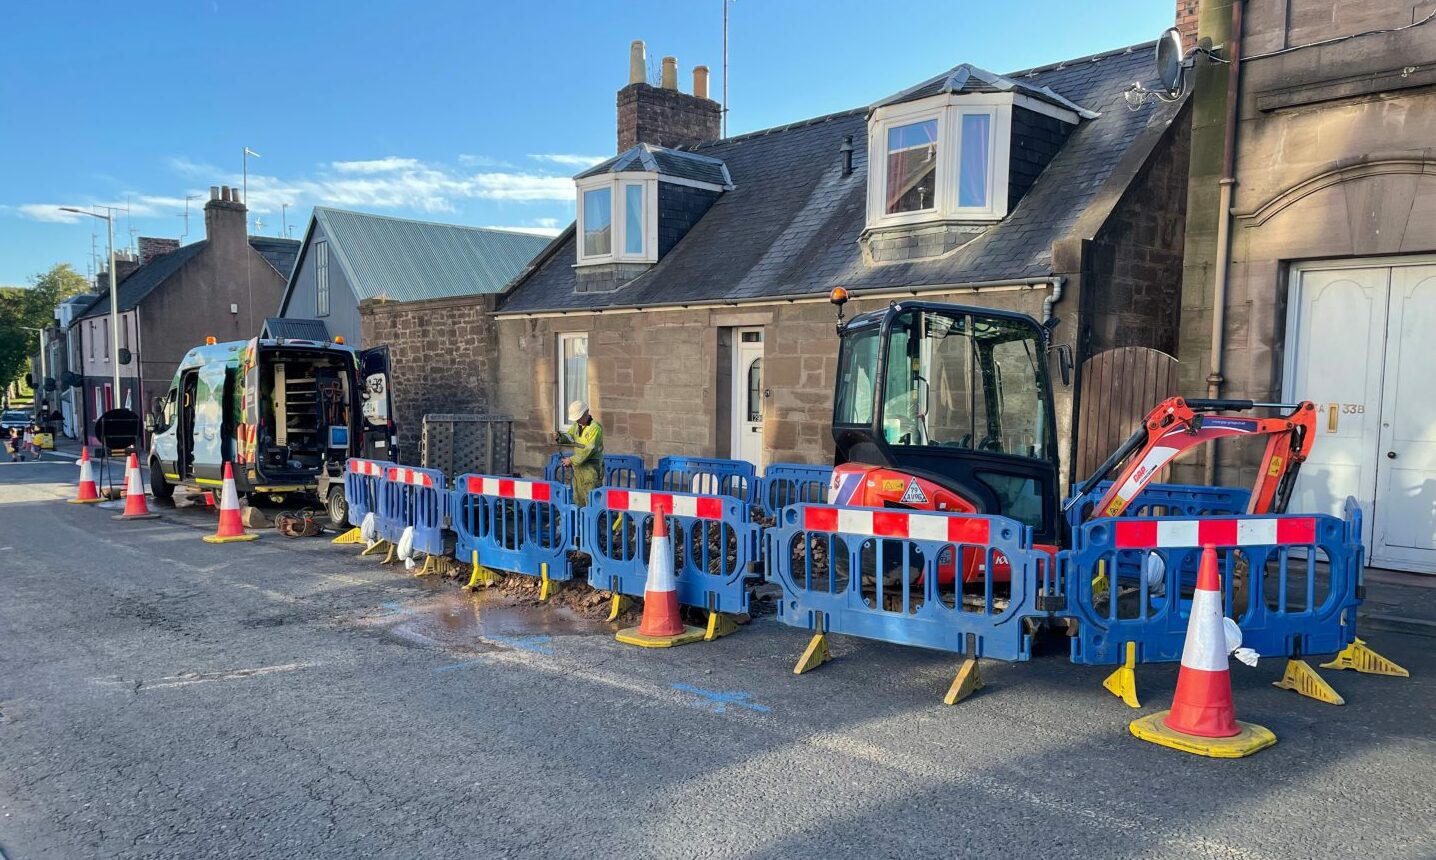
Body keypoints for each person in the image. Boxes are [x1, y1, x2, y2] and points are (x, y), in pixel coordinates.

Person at [553, 400, 603, 508]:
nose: (578, 421)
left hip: (592, 470)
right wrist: (560, 437)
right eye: (576, 419)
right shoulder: (576, 426)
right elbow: (570, 437)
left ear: (587, 413)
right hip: (579, 469)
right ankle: (581, 524)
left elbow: (588, 450)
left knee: (591, 502)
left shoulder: (595, 428)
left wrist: (571, 460)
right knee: (578, 500)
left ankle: (590, 525)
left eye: (579, 418)